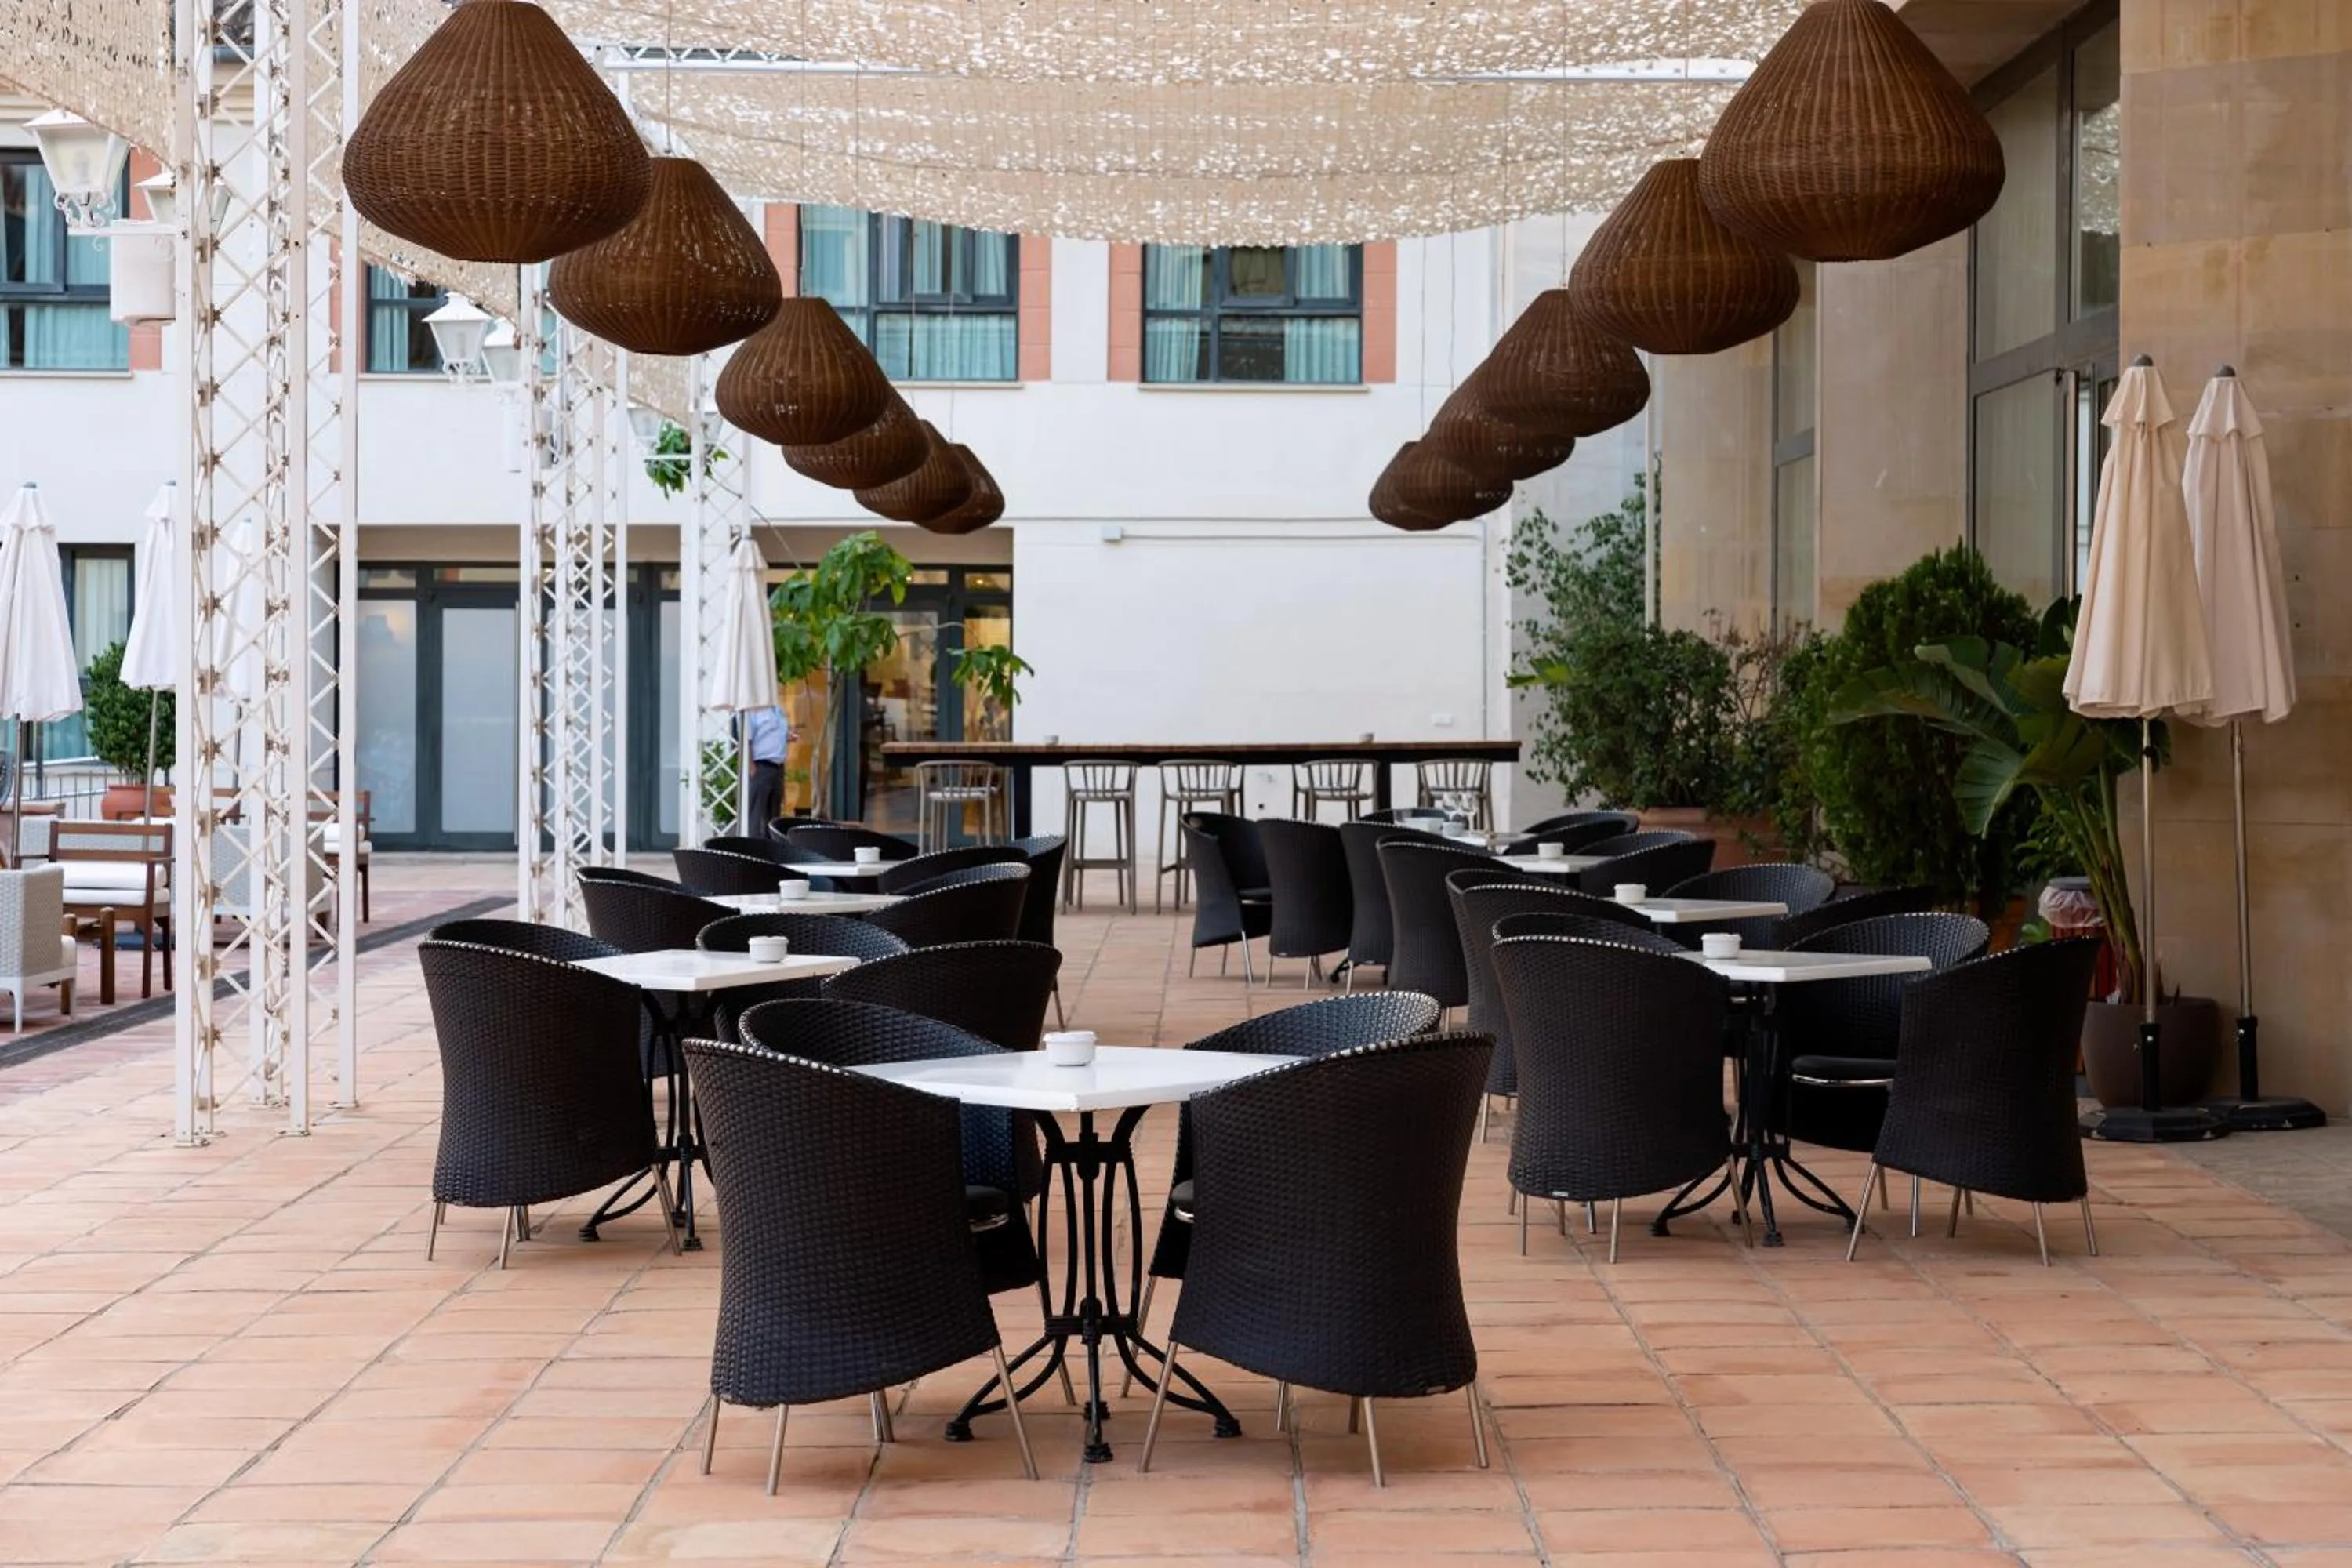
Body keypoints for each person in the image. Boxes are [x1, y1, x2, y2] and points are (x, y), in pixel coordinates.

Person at [742, 704, 787, 831]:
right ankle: (753, 848)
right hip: (761, 766)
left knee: (773, 816)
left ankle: (770, 848)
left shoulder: (777, 709)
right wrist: (750, 766)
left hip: (777, 767)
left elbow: (774, 733)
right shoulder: (754, 709)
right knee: (757, 815)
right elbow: (746, 739)